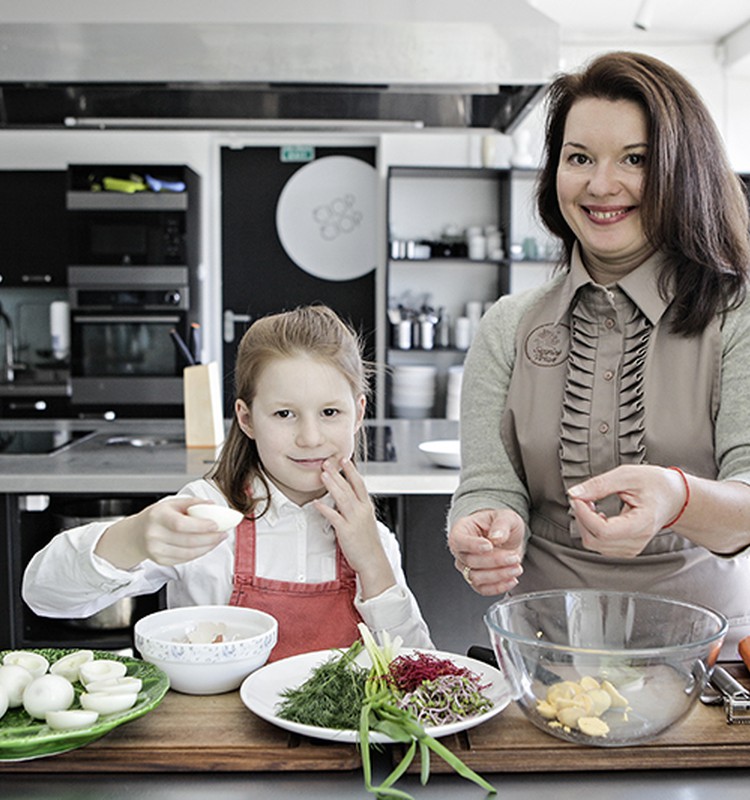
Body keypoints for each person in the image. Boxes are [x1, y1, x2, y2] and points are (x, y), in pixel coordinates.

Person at [447, 51, 750, 655]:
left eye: (634, 160)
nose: (600, 185)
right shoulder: (508, 326)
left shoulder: (735, 316)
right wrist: (485, 527)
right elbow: (489, 482)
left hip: (705, 661)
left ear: (682, 172)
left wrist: (677, 498)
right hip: (543, 655)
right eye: (578, 157)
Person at [24, 305, 432, 660]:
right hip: (215, 744)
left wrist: (373, 563)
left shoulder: (371, 534)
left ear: (358, 413)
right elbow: (42, 594)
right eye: (284, 414)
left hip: (339, 748)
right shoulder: (204, 512)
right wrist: (135, 537)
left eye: (329, 412)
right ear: (246, 417)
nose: (310, 437)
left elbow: (420, 669)